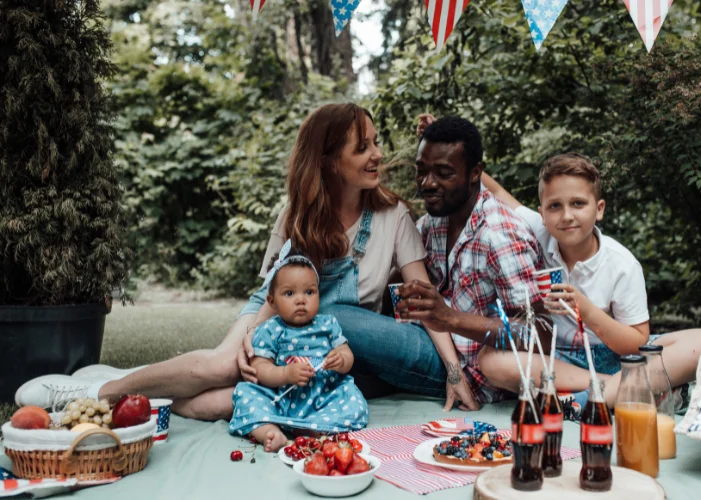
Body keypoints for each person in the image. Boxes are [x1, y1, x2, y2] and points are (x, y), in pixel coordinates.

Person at [15, 103, 479, 418]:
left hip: (325, 335)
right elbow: (273, 288)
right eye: (364, 147)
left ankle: (146, 393)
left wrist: (454, 372)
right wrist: (256, 337)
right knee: (227, 366)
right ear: (330, 161)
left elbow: (424, 303)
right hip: (275, 307)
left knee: (224, 402)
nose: (378, 154)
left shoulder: (392, 216)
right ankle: (92, 394)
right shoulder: (297, 213)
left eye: (376, 142)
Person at [478, 152, 701, 410]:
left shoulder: (621, 264)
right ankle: (619, 389)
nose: (566, 215)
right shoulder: (539, 233)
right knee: (490, 358)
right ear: (542, 213)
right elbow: (497, 191)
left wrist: (585, 309)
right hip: (558, 359)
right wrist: (454, 144)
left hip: (615, 355)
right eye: (555, 206)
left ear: (599, 209)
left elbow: (635, 342)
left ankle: (581, 401)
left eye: (578, 203)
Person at [393, 115, 549, 404]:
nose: (427, 183)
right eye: (421, 170)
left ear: (475, 173)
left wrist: (451, 319)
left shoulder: (500, 235)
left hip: (477, 376)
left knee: (345, 323)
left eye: (443, 173)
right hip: (437, 352)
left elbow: (539, 334)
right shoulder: (431, 223)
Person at [228, 241, 367, 451]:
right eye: (290, 294)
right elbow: (259, 368)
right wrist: (285, 373)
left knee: (354, 399)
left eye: (309, 292)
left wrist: (341, 359)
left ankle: (317, 428)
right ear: (272, 301)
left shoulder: (327, 324)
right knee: (246, 396)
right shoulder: (270, 329)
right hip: (280, 399)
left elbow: (345, 352)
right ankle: (270, 431)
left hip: (323, 395)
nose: (301, 300)